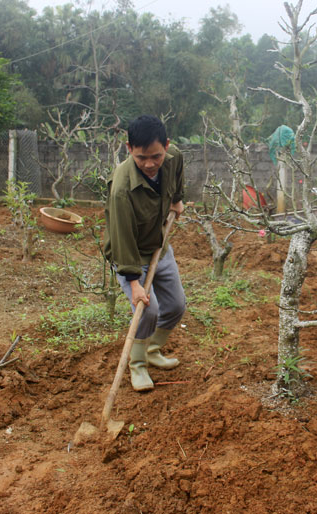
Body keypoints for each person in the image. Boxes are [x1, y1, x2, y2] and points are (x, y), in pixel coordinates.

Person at [103, 115, 186, 392]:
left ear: (166, 146)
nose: (150, 164)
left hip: (159, 247)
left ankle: (152, 350)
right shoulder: (121, 189)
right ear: (129, 149)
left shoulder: (172, 157)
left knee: (175, 306)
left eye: (156, 156)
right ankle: (137, 365)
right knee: (148, 311)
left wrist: (176, 199)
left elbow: (176, 174)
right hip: (130, 254)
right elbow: (122, 237)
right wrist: (134, 283)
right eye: (141, 158)